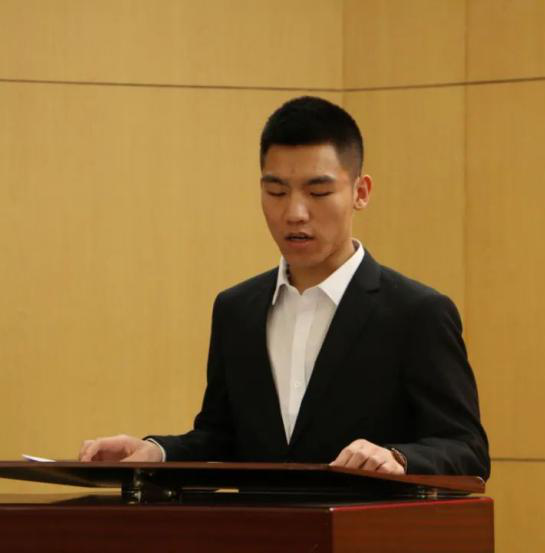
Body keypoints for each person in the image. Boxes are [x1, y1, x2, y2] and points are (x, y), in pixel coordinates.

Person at [79, 96, 489, 477]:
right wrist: (156, 452)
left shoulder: (416, 312)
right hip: (260, 525)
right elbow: (222, 437)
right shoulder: (236, 309)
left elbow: (466, 448)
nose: (294, 213)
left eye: (318, 191)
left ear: (360, 192)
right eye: (275, 191)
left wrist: (397, 457)